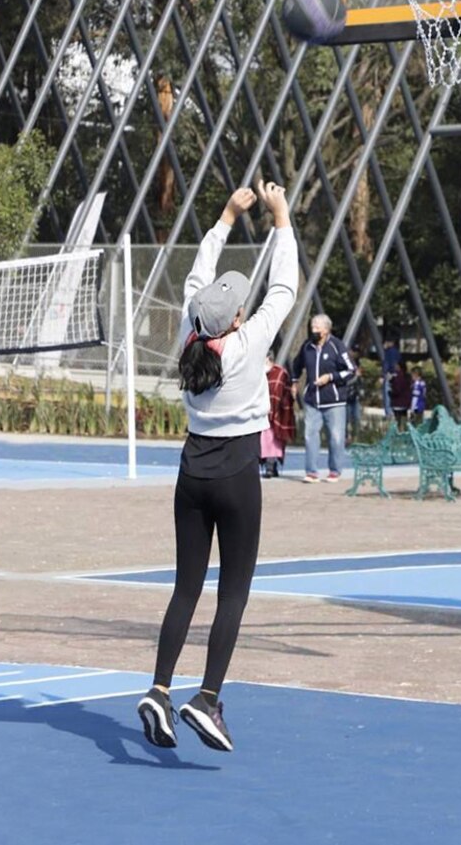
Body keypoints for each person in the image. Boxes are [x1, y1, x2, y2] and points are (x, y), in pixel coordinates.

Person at [136, 181, 298, 754]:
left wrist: (228, 214)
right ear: (233, 319)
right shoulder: (248, 342)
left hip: (191, 474)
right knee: (233, 592)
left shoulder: (189, 336)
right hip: (236, 473)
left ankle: (158, 689)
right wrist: (280, 218)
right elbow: (285, 286)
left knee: (185, 589)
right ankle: (207, 698)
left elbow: (197, 275)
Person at [292, 314, 355, 482]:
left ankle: (335, 470)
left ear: (326, 329)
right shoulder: (307, 346)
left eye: (317, 327)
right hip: (312, 399)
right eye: (312, 327)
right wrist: (294, 381)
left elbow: (351, 370)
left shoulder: (336, 346)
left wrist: (331, 377)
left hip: (334, 401)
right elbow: (297, 364)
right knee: (310, 435)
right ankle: (311, 471)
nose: (314, 330)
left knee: (335, 437)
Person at [261, 349, 295, 477]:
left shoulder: (280, 373)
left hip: (276, 414)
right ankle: (270, 466)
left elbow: (280, 392)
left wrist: (273, 409)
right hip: (260, 413)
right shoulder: (257, 373)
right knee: (263, 441)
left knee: (271, 441)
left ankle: (270, 466)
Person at [345, 345, 364, 439]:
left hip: (355, 395)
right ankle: (346, 436)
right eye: (354, 352)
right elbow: (346, 381)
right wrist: (355, 376)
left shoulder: (357, 363)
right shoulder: (344, 364)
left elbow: (359, 381)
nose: (355, 354)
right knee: (346, 418)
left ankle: (356, 436)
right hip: (347, 395)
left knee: (356, 418)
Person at [389, 357, 413, 431]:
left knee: (397, 422)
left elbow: (397, 390)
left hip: (397, 402)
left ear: (399, 366)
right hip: (405, 403)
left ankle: (399, 434)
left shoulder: (398, 377)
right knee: (404, 421)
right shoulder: (407, 377)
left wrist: (390, 392)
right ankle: (404, 433)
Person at [381, 335, 400, 416]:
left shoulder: (388, 352)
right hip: (397, 375)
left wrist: (383, 375)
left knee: (387, 395)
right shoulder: (397, 352)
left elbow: (387, 364)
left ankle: (388, 413)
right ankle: (393, 412)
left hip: (389, 374)